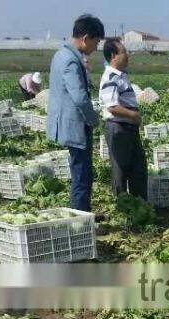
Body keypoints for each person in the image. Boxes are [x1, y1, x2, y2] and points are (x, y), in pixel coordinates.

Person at [47, 14, 104, 214]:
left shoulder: (60, 54)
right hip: (75, 124)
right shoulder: (71, 60)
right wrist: (93, 119)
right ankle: (80, 220)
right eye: (96, 42)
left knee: (81, 171)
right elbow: (79, 97)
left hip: (64, 121)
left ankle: (84, 213)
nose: (96, 47)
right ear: (86, 37)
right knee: (82, 174)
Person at [99, 38, 147, 201]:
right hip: (118, 127)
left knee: (137, 166)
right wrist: (133, 115)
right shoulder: (110, 77)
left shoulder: (121, 76)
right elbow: (112, 107)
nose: (128, 56)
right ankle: (124, 205)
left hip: (127, 127)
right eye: (124, 52)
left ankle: (138, 202)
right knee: (120, 169)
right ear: (113, 55)